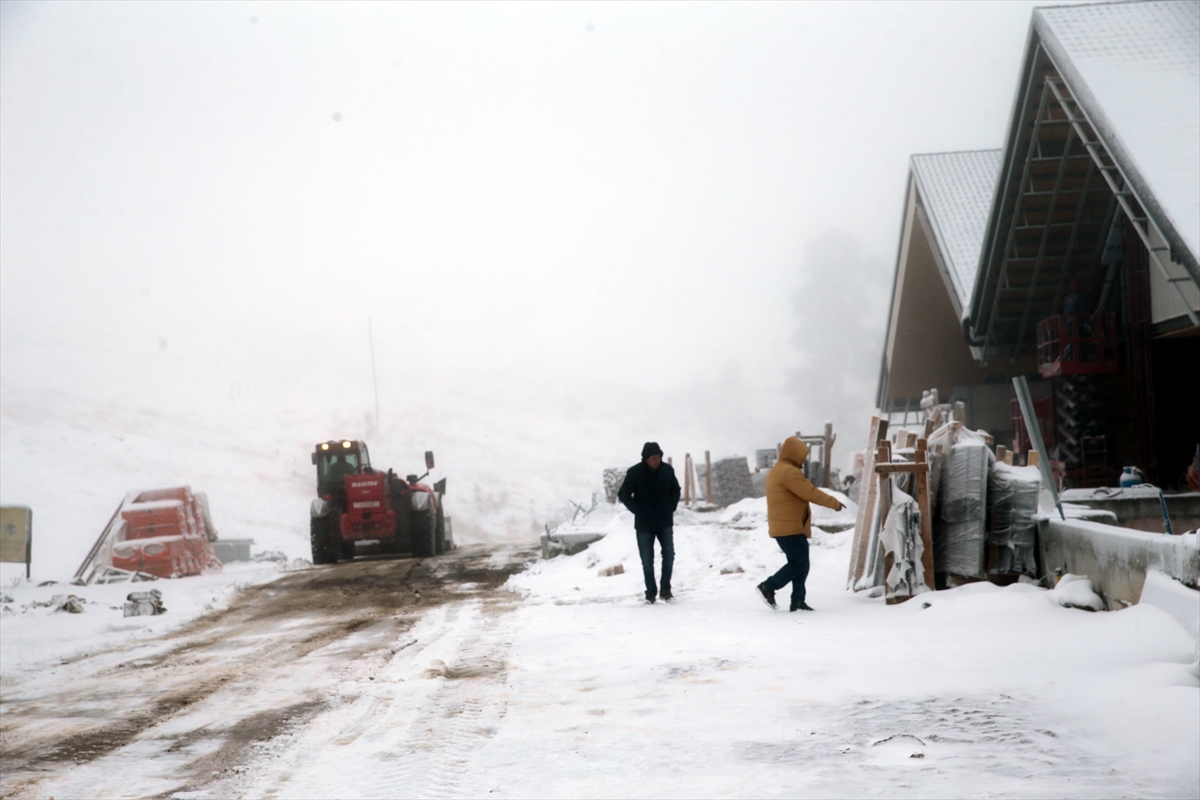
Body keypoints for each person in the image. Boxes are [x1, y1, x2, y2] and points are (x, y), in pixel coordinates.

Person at [757, 436, 845, 612]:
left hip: (788, 526)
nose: (804, 460)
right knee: (799, 563)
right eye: (802, 456)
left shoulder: (779, 469)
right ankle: (768, 586)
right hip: (788, 527)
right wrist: (834, 503)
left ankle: (797, 600)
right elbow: (810, 492)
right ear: (795, 454)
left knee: (801, 563)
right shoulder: (789, 472)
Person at [618, 442, 681, 604]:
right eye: (653, 458)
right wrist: (637, 510)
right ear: (646, 459)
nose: (657, 461)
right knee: (647, 559)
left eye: (659, 457)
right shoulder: (635, 473)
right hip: (644, 524)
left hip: (664, 521)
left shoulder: (667, 470)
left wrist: (671, 507)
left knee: (669, 555)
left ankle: (665, 590)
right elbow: (623, 494)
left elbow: (676, 489)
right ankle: (650, 593)